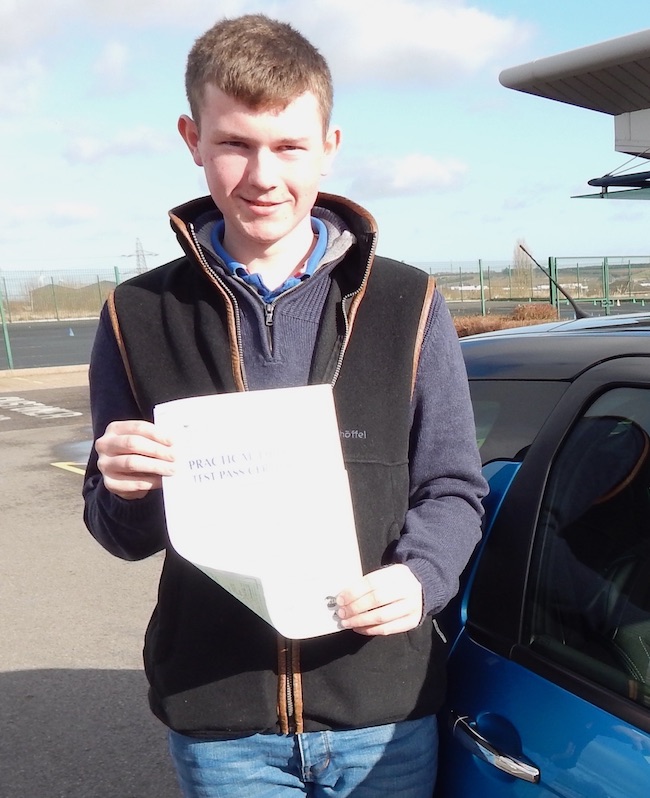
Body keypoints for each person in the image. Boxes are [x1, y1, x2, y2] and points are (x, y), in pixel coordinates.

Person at [83, 13, 487, 798]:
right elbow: (121, 535)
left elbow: (453, 487)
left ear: (329, 146)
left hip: (382, 713)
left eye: (290, 146)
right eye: (235, 144)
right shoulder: (135, 315)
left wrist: (424, 576)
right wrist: (125, 490)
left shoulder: (409, 302)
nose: (263, 176)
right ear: (192, 139)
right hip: (222, 725)